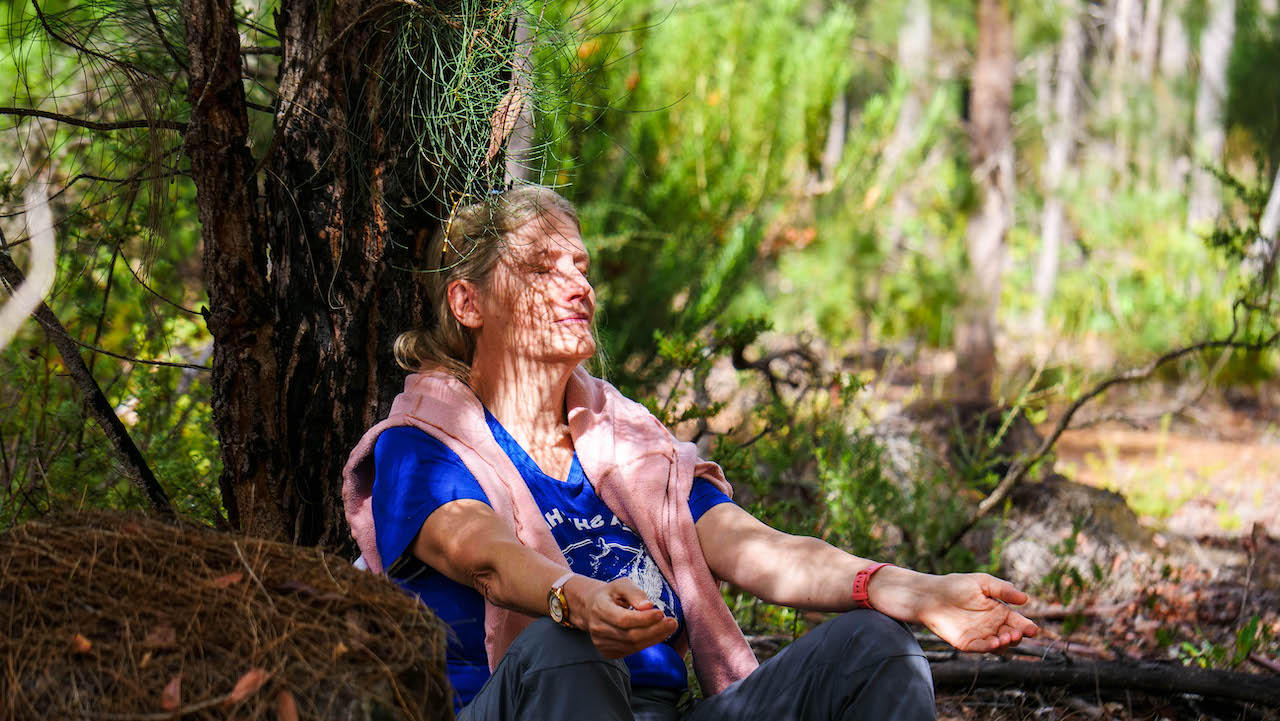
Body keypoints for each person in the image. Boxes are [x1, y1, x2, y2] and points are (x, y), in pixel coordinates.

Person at [342, 186, 1039, 721]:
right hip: (524, 704)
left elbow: (756, 548)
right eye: (541, 268)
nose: (578, 286)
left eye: (581, 268)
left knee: (873, 648)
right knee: (563, 646)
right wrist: (575, 597)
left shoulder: (627, 443)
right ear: (469, 303)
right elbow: (486, 556)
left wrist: (910, 588)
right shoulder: (422, 446)